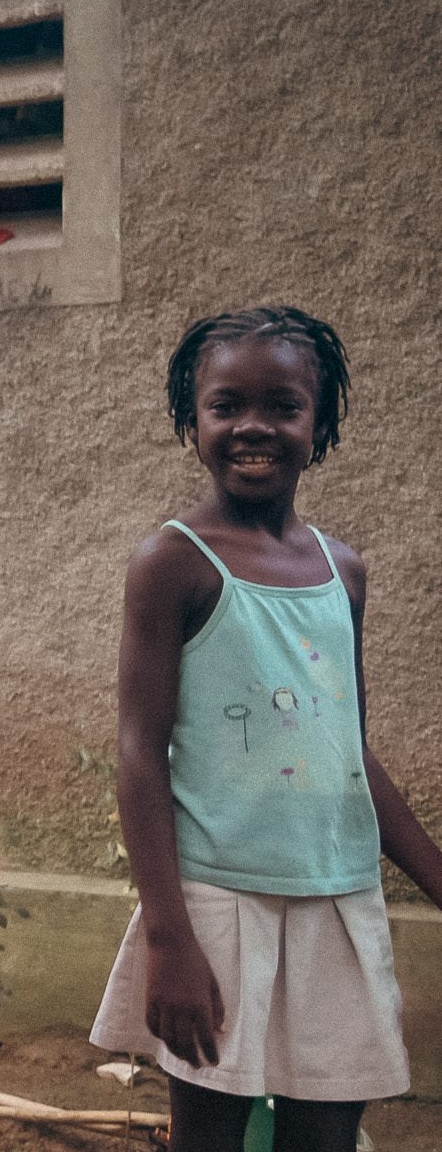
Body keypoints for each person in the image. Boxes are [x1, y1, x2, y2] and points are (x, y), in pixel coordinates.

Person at [89, 307, 442, 1152]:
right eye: (226, 405)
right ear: (193, 419)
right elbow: (139, 754)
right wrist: (169, 933)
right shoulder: (173, 561)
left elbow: (349, 750)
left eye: (283, 405)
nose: (254, 426)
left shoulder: (341, 571)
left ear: (319, 424)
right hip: (217, 906)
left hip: (338, 896)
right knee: (209, 1137)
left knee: (324, 1138)